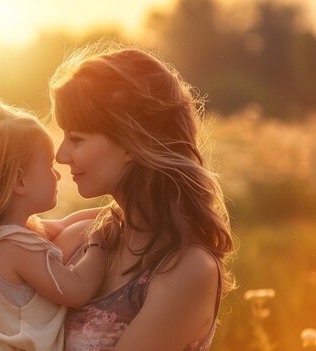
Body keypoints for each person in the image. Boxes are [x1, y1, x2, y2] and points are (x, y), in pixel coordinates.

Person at [48, 43, 236, 351]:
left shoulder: (187, 269)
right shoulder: (81, 238)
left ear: (129, 143)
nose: (60, 154)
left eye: (76, 138)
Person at [0, 94, 108, 351]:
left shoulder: (7, 236)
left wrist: (116, 215)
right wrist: (100, 241)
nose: (57, 174)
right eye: (48, 166)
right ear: (20, 181)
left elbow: (68, 223)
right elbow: (77, 290)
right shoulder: (14, 247)